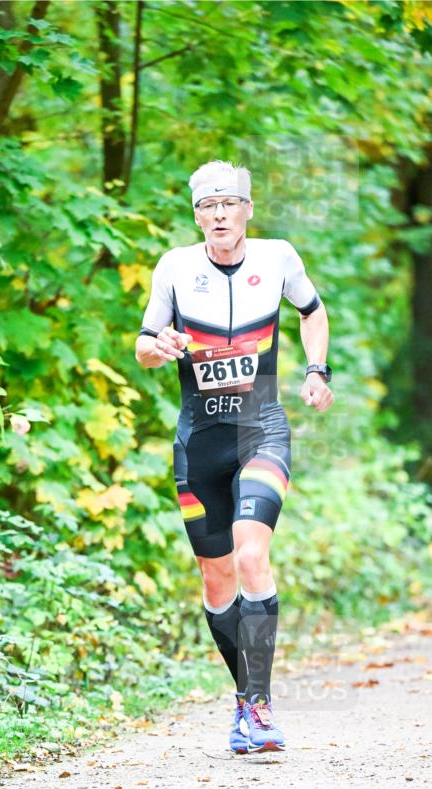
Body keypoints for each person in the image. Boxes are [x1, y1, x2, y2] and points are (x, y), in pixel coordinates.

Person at [135, 160, 333, 753]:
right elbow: (146, 344)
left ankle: (260, 708)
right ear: (196, 214)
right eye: (207, 206)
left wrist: (317, 369)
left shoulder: (278, 259)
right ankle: (246, 701)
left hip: (261, 429)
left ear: (247, 209)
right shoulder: (174, 267)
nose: (218, 214)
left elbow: (313, 311)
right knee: (217, 579)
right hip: (200, 442)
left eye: (229, 204)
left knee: (251, 555)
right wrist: (159, 345)